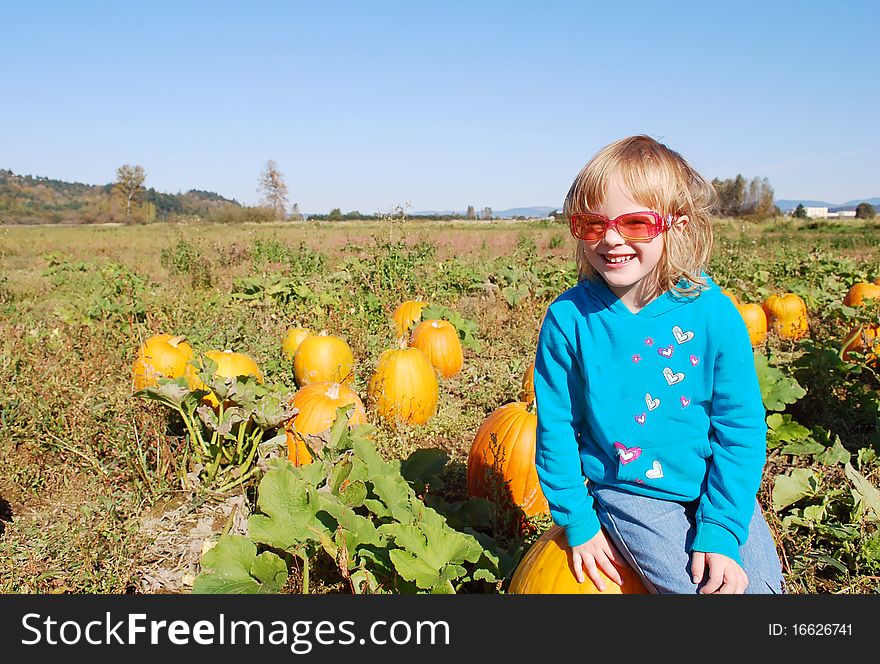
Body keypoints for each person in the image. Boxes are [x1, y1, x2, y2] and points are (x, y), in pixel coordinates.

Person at [533, 135, 785, 594]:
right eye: (592, 223)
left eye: (635, 223)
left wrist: (723, 528)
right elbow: (556, 429)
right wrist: (578, 522)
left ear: (678, 226)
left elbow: (740, 426)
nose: (611, 238)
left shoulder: (715, 314)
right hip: (630, 492)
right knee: (694, 592)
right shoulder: (568, 321)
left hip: (711, 481)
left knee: (760, 591)